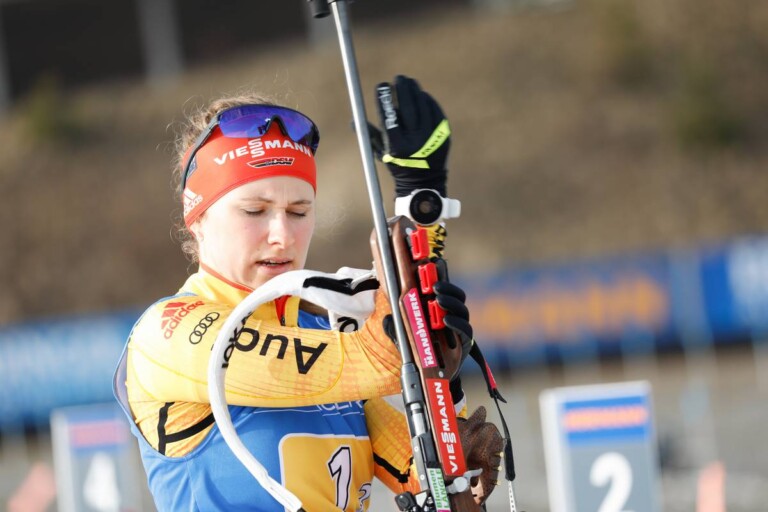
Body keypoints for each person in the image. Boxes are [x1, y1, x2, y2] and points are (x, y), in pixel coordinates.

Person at [113, 76, 502, 511]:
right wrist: (421, 229)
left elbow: (433, 474)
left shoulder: (327, 333)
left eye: (299, 212)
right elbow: (374, 360)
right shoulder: (166, 335)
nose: (282, 236)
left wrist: (449, 400)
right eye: (254, 211)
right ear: (198, 219)